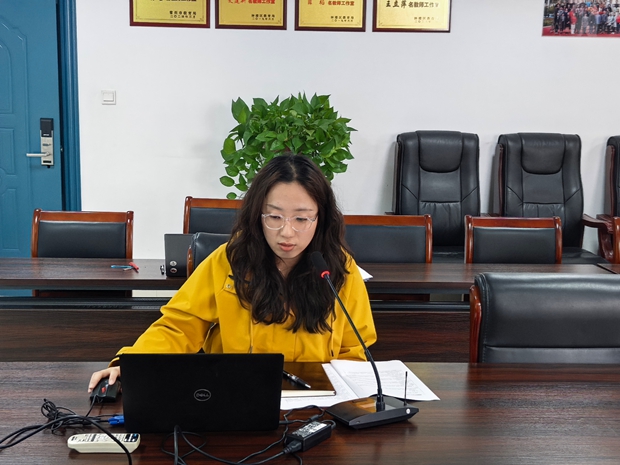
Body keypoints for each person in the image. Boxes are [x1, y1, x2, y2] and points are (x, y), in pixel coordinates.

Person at [88, 153, 376, 393]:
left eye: (301, 218)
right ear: (257, 214)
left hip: (316, 403)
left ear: (320, 218)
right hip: (234, 395)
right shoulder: (229, 261)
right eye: (274, 216)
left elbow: (354, 351)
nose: (287, 232)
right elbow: (180, 326)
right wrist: (130, 365)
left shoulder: (340, 270)